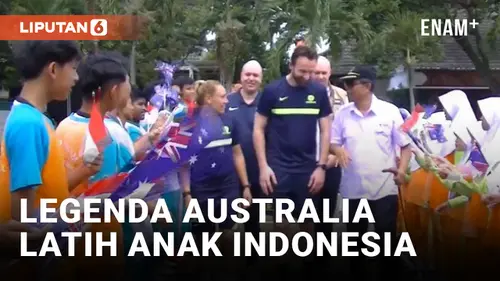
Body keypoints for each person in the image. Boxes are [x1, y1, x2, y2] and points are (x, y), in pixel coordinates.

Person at [0, 40, 82, 279]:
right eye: (74, 68)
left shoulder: (37, 119)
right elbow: (23, 215)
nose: (76, 78)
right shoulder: (29, 123)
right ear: (54, 70)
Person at [331, 65, 411, 279]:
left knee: (387, 244)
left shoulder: (390, 112)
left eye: (350, 83)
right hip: (353, 190)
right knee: (355, 246)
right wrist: (338, 150)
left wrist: (402, 170)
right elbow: (333, 143)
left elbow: (405, 145)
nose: (346, 88)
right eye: (345, 84)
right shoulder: (342, 114)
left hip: (384, 189)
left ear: (367, 86)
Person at [253, 46, 332, 243]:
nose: (307, 76)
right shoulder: (272, 91)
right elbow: (258, 129)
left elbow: (325, 130)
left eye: (311, 72)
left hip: (308, 168)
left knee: (307, 221)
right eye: (302, 71)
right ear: (291, 66)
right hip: (278, 168)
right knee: (280, 223)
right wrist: (263, 167)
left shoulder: (319, 92)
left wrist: (321, 167)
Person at [187, 80, 252, 248]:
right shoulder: (189, 124)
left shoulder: (229, 121)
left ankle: (226, 272)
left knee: (228, 237)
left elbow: (237, 154)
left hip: (227, 187)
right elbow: (183, 164)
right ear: (209, 99)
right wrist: (186, 194)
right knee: (202, 241)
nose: (226, 101)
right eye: (222, 97)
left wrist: (245, 186)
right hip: (201, 189)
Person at [226, 60, 263, 265]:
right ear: (241, 76)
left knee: (254, 219)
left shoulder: (268, 102)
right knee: (227, 221)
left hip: (259, 170)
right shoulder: (226, 101)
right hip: (230, 172)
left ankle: (252, 262)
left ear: (261, 79)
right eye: (247, 74)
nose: (251, 79)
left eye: (255, 75)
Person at [311, 56, 347, 251]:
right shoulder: (302, 93)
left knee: (327, 209)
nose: (320, 76)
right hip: (308, 162)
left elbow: (347, 130)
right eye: (317, 72)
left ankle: (323, 253)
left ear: (330, 73)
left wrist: (332, 158)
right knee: (307, 212)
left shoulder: (342, 96)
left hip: (332, 163)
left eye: (324, 73)